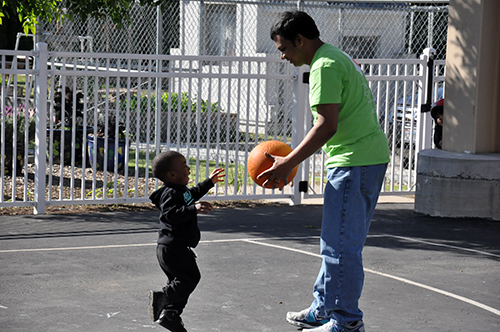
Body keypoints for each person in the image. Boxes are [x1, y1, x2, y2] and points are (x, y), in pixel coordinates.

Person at [263, 11, 390, 332]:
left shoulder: (325, 65)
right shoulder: (336, 56)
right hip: (367, 158)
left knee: (340, 247)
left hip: (354, 162)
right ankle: (323, 308)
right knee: (340, 242)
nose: (282, 55)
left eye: (284, 48)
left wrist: (289, 161)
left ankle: (345, 321)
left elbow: (326, 126)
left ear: (301, 40)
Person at [148, 151, 224, 332]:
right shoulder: (170, 193)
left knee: (181, 282)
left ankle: (171, 314)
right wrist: (193, 209)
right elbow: (171, 214)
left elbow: (193, 194)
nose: (188, 169)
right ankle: (163, 298)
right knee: (190, 278)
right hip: (173, 248)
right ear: (172, 175)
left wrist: (209, 183)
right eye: (184, 167)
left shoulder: (181, 191)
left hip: (174, 248)